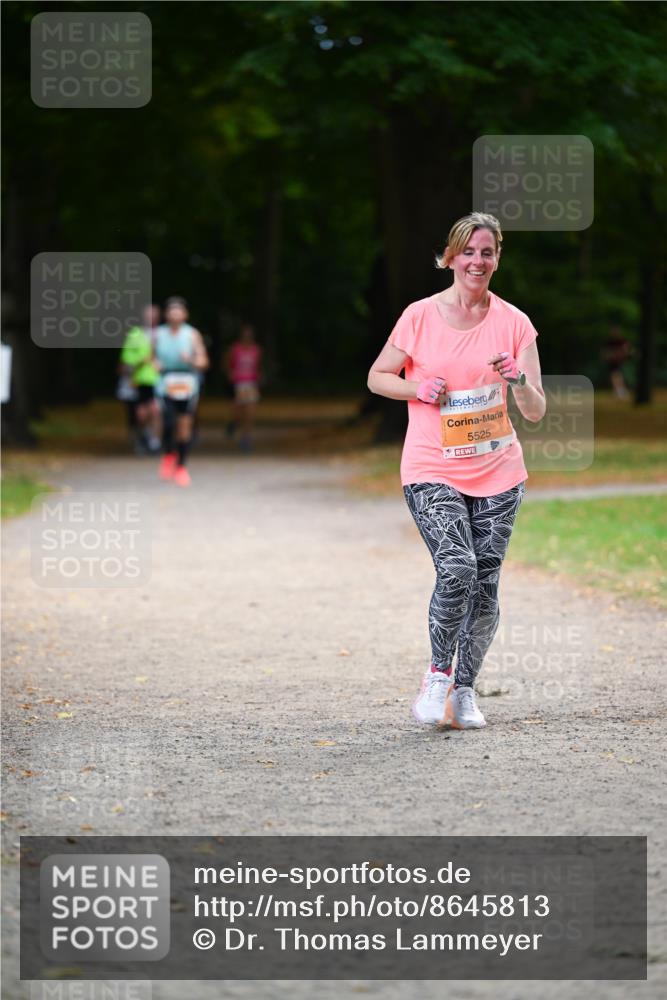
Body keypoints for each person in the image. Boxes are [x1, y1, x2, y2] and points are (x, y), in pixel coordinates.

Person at [367, 212, 546, 730]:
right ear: (450, 257)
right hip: (431, 465)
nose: (477, 261)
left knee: (486, 586)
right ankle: (438, 676)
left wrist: (517, 380)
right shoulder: (419, 316)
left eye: (487, 252)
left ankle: (464, 692)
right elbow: (378, 377)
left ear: (497, 259)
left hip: (499, 469)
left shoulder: (514, 323)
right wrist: (415, 389)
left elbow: (535, 411)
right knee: (458, 567)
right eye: (468, 251)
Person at [154, 297, 209, 487]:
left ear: (185, 314)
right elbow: (149, 358)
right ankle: (168, 454)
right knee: (168, 421)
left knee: (184, 424)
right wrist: (155, 364)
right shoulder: (158, 334)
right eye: (172, 311)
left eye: (179, 311)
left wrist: (191, 360)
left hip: (187, 381)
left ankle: (181, 466)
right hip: (165, 382)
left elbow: (203, 362)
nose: (175, 314)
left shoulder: (192, 335)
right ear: (166, 314)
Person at [118, 304, 161, 454]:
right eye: (148, 314)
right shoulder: (135, 335)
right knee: (141, 413)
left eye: (153, 314)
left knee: (156, 410)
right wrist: (143, 361)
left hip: (159, 380)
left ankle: (155, 440)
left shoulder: (163, 333)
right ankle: (145, 437)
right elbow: (127, 360)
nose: (151, 317)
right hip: (140, 380)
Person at [224, 322, 262, 452]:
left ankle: (246, 438)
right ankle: (233, 423)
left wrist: (259, 376)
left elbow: (258, 366)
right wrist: (230, 374)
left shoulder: (256, 349)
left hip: (251, 383)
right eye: (245, 335)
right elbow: (227, 363)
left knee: (250, 412)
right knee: (239, 412)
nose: (247, 337)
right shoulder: (235, 349)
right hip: (238, 384)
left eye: (249, 335)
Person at [601, 326, 633, 400]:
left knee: (618, 375)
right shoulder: (609, 341)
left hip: (622, 361)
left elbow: (627, 349)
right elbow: (604, 352)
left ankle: (621, 390)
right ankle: (619, 390)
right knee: (615, 375)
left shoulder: (622, 340)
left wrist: (620, 354)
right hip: (613, 362)